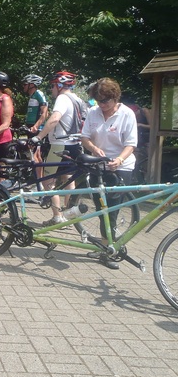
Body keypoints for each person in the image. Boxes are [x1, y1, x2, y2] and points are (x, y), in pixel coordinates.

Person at [81, 78, 137, 270]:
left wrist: (119, 160)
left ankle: (110, 250)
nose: (102, 105)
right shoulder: (93, 112)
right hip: (99, 165)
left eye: (105, 101)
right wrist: (94, 149)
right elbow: (84, 137)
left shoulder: (127, 114)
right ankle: (105, 245)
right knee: (100, 207)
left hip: (121, 166)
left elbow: (131, 144)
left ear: (115, 98)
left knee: (112, 209)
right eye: (98, 100)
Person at [34, 71, 84, 226]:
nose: (52, 89)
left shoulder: (62, 98)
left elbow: (55, 118)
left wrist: (38, 137)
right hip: (75, 145)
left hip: (60, 145)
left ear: (60, 85)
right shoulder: (78, 99)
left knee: (47, 180)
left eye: (53, 86)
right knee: (69, 179)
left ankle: (58, 216)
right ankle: (70, 215)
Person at [22, 74, 48, 179]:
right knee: (32, 153)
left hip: (36, 129)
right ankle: (34, 177)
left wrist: (36, 126)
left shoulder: (39, 94)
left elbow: (45, 113)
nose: (23, 86)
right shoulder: (32, 96)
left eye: (25, 84)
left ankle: (39, 180)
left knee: (37, 155)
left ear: (31, 84)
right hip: (30, 126)